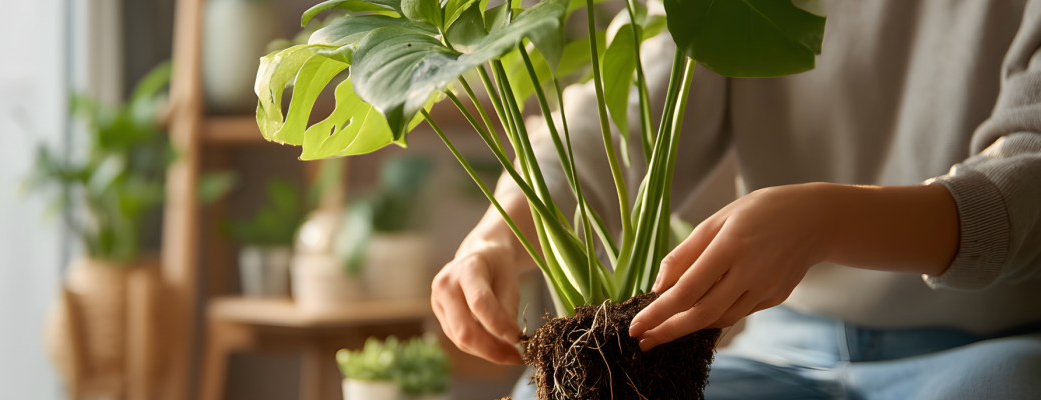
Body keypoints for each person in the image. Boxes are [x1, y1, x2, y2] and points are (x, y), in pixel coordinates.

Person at [430, 1, 1041, 399]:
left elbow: (1022, 184)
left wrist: (826, 221)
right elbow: (618, 121)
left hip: (982, 352)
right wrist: (497, 236)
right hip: (781, 352)